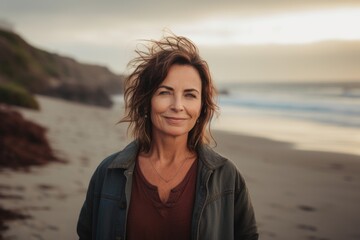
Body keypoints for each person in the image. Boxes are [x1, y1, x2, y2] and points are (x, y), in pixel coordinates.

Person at [77, 34, 258, 240]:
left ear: (201, 107)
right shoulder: (108, 173)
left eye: (190, 95)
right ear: (147, 101)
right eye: (165, 92)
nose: (177, 105)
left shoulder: (226, 176)